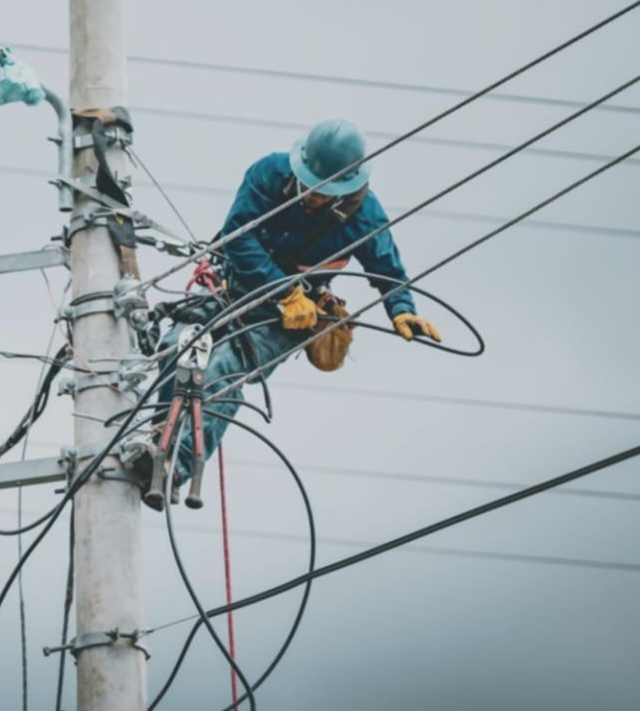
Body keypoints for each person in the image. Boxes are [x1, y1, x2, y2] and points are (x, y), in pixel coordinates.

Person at [152, 118, 440, 493]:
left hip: (290, 317)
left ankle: (176, 468)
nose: (311, 196)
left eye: (323, 192)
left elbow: (387, 269)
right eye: (308, 185)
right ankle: (156, 444)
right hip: (234, 288)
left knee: (225, 370)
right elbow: (239, 238)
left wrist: (401, 308)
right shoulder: (269, 173)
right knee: (176, 344)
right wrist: (282, 289)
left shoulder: (365, 216)